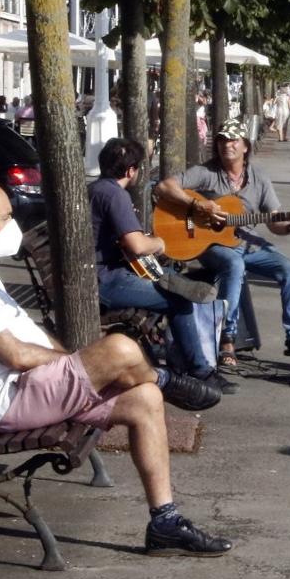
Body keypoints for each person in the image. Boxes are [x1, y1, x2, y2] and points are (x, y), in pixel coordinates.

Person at [0, 179, 233, 557]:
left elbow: (38, 343)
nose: (12, 225)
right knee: (119, 347)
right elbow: (15, 355)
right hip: (8, 403)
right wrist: (76, 366)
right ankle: (166, 377)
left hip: (32, 388)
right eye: (5, 217)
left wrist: (75, 367)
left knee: (145, 397)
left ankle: (164, 521)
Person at [153, 119, 290, 363]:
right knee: (234, 265)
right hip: (212, 246)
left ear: (245, 147)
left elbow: (274, 222)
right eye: (221, 140)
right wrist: (198, 204)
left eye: (233, 140)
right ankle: (227, 338)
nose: (226, 145)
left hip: (247, 242)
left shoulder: (259, 178)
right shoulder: (206, 173)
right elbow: (164, 186)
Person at [90, 138, 235, 393]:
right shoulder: (115, 194)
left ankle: (180, 349)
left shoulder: (94, 189)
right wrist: (159, 243)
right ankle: (199, 371)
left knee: (170, 279)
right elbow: (136, 245)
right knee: (178, 299)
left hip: (97, 273)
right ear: (131, 171)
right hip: (104, 281)